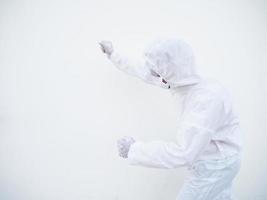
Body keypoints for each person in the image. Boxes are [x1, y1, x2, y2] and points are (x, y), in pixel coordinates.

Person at [99, 39, 242, 200]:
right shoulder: (181, 79)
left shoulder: (205, 100)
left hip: (215, 166)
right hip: (217, 160)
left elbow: (183, 153)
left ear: (173, 70)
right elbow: (144, 72)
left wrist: (135, 149)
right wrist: (113, 55)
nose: (157, 78)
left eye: (159, 73)